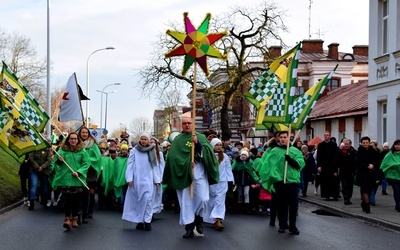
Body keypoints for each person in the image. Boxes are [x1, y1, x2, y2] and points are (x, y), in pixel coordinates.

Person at [162, 117, 219, 238]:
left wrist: (197, 144)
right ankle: (189, 227)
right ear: (181, 126)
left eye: (189, 123)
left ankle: (198, 220)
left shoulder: (201, 137)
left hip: (199, 174)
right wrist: (187, 163)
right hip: (184, 175)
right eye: (184, 123)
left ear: (193, 124)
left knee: (203, 199)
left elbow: (209, 154)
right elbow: (172, 158)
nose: (187, 125)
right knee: (186, 202)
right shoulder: (178, 140)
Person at [260, 131, 305, 235]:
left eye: (285, 137)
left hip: (292, 182)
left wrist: (291, 160)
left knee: (293, 205)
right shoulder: (275, 151)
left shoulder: (294, 151)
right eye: (281, 137)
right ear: (278, 138)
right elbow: (269, 165)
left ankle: (293, 226)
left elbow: (300, 164)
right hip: (280, 182)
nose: (283, 139)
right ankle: (282, 224)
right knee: (281, 205)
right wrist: (276, 177)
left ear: (289, 138)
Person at [122, 132, 163, 231]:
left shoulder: (152, 150)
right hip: (137, 180)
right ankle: (140, 221)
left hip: (149, 181)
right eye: (142, 139)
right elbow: (130, 165)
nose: (143, 141)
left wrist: (157, 179)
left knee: (148, 200)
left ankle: (147, 221)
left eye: (145, 139)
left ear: (148, 140)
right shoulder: (134, 151)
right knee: (139, 201)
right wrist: (129, 178)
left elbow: (155, 166)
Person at [50, 132, 90, 230]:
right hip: (66, 179)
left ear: (78, 140)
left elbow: (86, 163)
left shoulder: (82, 151)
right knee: (67, 200)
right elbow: (56, 164)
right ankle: (67, 218)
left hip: (77, 180)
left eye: (75, 139)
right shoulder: (62, 151)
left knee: (76, 200)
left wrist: (79, 172)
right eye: (71, 138)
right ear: (68, 140)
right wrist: (59, 160)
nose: (73, 140)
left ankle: (75, 218)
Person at [204, 138, 234, 231]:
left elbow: (228, 169)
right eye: (216, 145)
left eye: (220, 145)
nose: (219, 147)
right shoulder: (209, 155)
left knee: (220, 201)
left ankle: (218, 219)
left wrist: (230, 181)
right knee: (212, 201)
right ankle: (213, 219)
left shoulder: (224, 156)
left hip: (222, 182)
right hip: (211, 182)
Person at [78, 127, 102, 223]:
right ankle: (80, 213)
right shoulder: (77, 143)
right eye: (82, 132)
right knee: (81, 193)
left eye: (86, 132)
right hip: (80, 171)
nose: (84, 134)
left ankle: (89, 211)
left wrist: (87, 161)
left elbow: (97, 158)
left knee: (90, 193)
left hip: (91, 172)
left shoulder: (93, 145)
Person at [355, 136, 378, 214]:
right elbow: (357, 162)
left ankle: (364, 203)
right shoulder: (359, 151)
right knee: (364, 189)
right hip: (362, 173)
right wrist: (367, 165)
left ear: (369, 143)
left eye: (367, 143)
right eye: (363, 143)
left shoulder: (373, 151)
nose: (365, 144)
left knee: (370, 189)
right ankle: (367, 206)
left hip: (371, 174)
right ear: (361, 143)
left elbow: (377, 160)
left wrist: (373, 165)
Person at [317, 131, 339, 201]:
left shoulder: (334, 144)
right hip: (324, 165)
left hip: (332, 165)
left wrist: (336, 168)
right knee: (325, 181)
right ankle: (327, 195)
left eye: (327, 135)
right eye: (324, 135)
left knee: (333, 180)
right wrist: (319, 166)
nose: (326, 137)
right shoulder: (321, 145)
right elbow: (319, 156)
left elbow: (336, 156)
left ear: (329, 136)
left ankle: (334, 195)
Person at [380, 139, 400, 212]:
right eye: (396, 144)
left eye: (399, 144)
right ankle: (398, 204)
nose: (397, 146)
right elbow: (384, 164)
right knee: (396, 190)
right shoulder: (390, 154)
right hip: (393, 176)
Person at [335, 139, 356, 205]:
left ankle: (349, 197)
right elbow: (336, 161)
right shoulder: (341, 152)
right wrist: (336, 170)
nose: (346, 145)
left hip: (351, 172)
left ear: (350, 144)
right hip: (343, 171)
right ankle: (346, 198)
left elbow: (356, 161)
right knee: (344, 185)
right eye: (345, 144)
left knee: (350, 186)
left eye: (347, 144)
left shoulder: (354, 152)